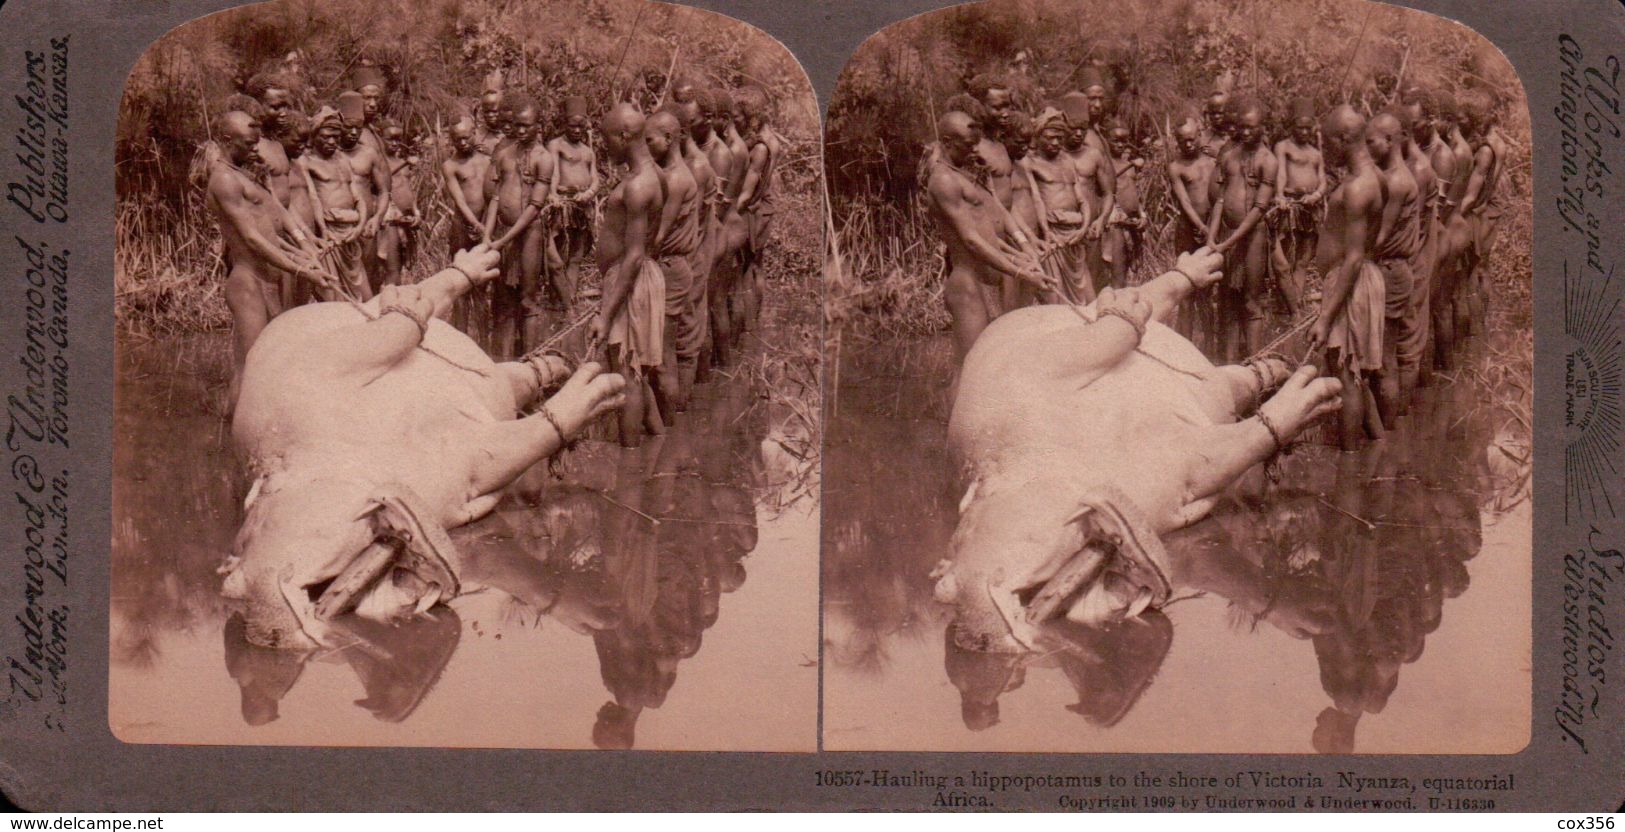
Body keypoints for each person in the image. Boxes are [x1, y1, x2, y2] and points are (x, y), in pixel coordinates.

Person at [206, 111, 331, 409]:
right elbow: (252, 239)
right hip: (248, 283)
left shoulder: (243, 175)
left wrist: (305, 253)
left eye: (256, 143)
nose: (254, 149)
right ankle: (227, 441)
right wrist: (301, 268)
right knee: (250, 368)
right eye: (248, 144)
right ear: (226, 139)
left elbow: (273, 231)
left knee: (268, 365)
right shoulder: (223, 179)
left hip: (269, 279)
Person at [924, 110, 1048, 370]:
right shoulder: (944, 180)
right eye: (967, 146)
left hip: (988, 281)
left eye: (975, 145)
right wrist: (1019, 272)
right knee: (971, 368)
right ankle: (952, 412)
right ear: (947, 142)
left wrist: (1022, 257)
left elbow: (988, 234)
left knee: (992, 365)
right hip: (968, 284)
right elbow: (971, 241)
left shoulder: (962, 174)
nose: (973, 152)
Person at [1307, 105, 1388, 451]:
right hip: (1351, 279)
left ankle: (1350, 466)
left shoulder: (1359, 188)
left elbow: (1355, 257)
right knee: (1357, 375)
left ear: (1343, 139)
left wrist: (1325, 318)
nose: (1325, 148)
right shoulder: (1367, 177)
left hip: (1352, 282)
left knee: (1347, 377)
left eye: (1328, 141)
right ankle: (1381, 447)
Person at [590, 103, 667, 447]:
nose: (605, 148)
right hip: (630, 278)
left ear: (624, 136)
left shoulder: (639, 186)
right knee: (637, 371)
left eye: (608, 139)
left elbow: (635, 255)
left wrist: (605, 316)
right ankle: (661, 443)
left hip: (631, 281)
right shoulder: (651, 174)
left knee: (626, 374)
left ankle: (630, 465)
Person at [483, 95, 556, 356]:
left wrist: (503, 241)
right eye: (517, 125)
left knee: (527, 299)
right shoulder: (505, 154)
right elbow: (496, 197)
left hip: (528, 236)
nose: (521, 130)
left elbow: (534, 208)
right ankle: (502, 365)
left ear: (538, 126)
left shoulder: (543, 158)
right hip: (502, 233)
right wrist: (487, 235)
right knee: (503, 300)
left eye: (527, 125)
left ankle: (530, 363)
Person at [1206, 97, 1277, 360]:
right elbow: (1221, 199)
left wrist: (1228, 242)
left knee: (1250, 300)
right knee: (1226, 301)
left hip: (1252, 238)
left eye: (1252, 127)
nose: (1246, 132)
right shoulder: (1230, 156)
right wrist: (1212, 236)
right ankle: (1228, 363)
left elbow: (1259, 209)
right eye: (1242, 127)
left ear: (1262, 127)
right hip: (1226, 234)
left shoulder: (1267, 160)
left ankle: (1254, 365)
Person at [647, 108, 706, 417]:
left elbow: (657, 235)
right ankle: (672, 418)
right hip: (672, 267)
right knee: (663, 351)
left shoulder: (677, 178)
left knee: (664, 355)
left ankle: (670, 426)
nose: (645, 148)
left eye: (650, 140)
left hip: (670, 269)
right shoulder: (671, 174)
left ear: (669, 138)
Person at [1367, 110, 1424, 423]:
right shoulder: (1390, 176)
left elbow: (1379, 236)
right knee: (1387, 355)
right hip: (1392, 270)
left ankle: (1389, 434)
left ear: (1389, 142)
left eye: (1371, 142)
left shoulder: (1398, 181)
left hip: (1390, 272)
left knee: (1385, 360)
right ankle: (1393, 426)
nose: (1367, 148)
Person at [1017, 109, 1093, 302]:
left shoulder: (1067, 160)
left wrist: (1083, 228)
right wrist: (1046, 231)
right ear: (1038, 136)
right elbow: (1037, 199)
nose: (1056, 143)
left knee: (1088, 298)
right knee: (1055, 298)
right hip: (1052, 235)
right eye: (1050, 138)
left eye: (1060, 138)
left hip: (1075, 233)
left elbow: (1082, 199)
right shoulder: (1029, 162)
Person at [297, 106, 371, 302]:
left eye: (336, 137)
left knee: (366, 296)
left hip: (351, 232)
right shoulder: (306, 161)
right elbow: (313, 198)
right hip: (329, 235)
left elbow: (358, 197)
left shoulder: (342, 160)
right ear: (315, 135)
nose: (332, 142)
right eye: (326, 136)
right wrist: (323, 230)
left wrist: (360, 225)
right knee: (332, 297)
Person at [1268, 98, 1326, 317]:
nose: (1303, 132)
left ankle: (1297, 305)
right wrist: (1280, 195)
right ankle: (1290, 308)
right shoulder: (1283, 147)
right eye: (1299, 127)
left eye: (1307, 128)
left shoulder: (1315, 153)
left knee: (1303, 259)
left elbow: (1323, 180)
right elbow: (1281, 172)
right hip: (1290, 206)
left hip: (1310, 207)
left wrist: (1317, 194)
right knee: (1286, 258)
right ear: (1292, 126)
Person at [731, 86, 781, 335]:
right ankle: (754, 322)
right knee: (756, 266)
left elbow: (747, 193)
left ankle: (746, 326)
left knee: (744, 268)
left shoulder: (760, 148)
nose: (733, 121)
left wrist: (724, 213)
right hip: (764, 205)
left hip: (754, 210)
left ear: (749, 116)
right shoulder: (770, 139)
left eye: (737, 116)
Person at [1166, 117, 1220, 346]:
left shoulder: (1213, 162)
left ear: (1199, 136)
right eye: (1182, 141)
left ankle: (1210, 346)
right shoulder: (1175, 167)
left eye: (1191, 139)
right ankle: (1183, 346)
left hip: (1212, 230)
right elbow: (1185, 202)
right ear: (1177, 142)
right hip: (1188, 231)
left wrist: (1211, 230)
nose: (1188, 145)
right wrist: (1201, 226)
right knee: (1186, 289)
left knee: (1208, 292)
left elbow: (1221, 197)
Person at [1057, 92, 1116, 296]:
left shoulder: (1093, 155)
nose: (1078, 134)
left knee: (1093, 280)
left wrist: (1101, 221)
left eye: (1082, 129)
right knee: (1064, 287)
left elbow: (1108, 194)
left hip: (1091, 229)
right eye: (1073, 129)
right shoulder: (1054, 156)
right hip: (1061, 229)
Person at [546, 96, 600, 309]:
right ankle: (557, 299)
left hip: (582, 204)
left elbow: (595, 179)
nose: (577, 130)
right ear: (564, 123)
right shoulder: (556, 145)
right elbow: (553, 174)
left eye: (581, 125)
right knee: (558, 252)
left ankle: (570, 297)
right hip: (563, 204)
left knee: (577, 254)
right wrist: (553, 195)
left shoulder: (588, 151)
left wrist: (589, 194)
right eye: (572, 125)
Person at [336, 91, 393, 294]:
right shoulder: (328, 153)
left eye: (357, 128)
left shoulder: (368, 153)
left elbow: (384, 191)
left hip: (367, 227)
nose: (353, 132)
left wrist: (377, 218)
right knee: (338, 286)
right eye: (348, 127)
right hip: (336, 229)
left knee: (369, 278)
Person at [440, 117, 492, 331]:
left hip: (485, 225)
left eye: (466, 137)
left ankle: (483, 341)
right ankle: (458, 335)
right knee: (460, 280)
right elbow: (459, 200)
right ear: (451, 140)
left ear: (475, 134)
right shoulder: (450, 165)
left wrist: (485, 226)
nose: (462, 143)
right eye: (457, 139)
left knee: (483, 283)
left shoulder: (488, 161)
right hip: (462, 226)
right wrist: (475, 224)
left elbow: (493, 196)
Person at [1103, 120, 1147, 289]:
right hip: (1116, 225)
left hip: (1133, 224)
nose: (1121, 145)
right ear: (1106, 140)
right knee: (1116, 272)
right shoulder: (1105, 165)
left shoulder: (1129, 165)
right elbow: (1105, 194)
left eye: (1124, 140)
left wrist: (1142, 215)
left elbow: (1134, 192)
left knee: (1130, 271)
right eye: (1116, 140)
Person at [377, 123, 422, 287]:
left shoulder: (401, 161)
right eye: (390, 139)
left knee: (402, 265)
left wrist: (416, 212)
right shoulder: (379, 163)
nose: (395, 144)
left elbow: (408, 189)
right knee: (390, 267)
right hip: (390, 221)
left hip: (407, 220)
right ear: (380, 139)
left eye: (398, 139)